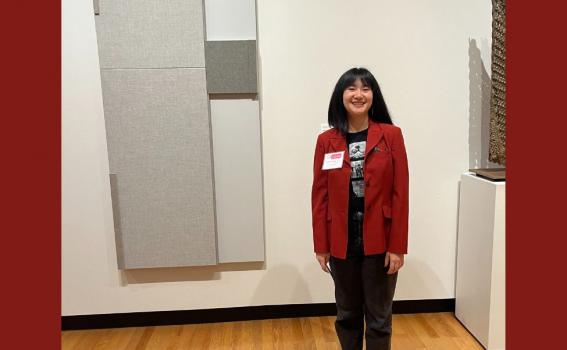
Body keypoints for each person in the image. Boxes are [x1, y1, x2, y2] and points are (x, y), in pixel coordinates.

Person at [311, 67, 409, 350]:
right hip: (341, 241)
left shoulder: (391, 136)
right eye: (351, 88)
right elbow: (320, 196)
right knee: (347, 315)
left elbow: (400, 193)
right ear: (340, 96)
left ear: (373, 96)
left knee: (379, 318)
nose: (358, 94)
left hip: (380, 241)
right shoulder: (326, 141)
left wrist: (397, 246)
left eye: (365, 88)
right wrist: (321, 244)